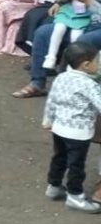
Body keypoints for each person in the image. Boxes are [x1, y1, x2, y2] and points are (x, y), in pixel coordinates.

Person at [42, 42, 101, 213]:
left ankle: (53, 186)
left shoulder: (61, 78)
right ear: (86, 65)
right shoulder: (89, 85)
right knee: (76, 165)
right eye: (97, 61)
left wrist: (48, 120)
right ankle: (75, 196)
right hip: (78, 133)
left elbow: (52, 100)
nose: (98, 65)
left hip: (59, 128)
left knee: (59, 158)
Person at [41, 0, 101, 70]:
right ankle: (51, 56)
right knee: (59, 28)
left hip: (83, 14)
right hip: (69, 11)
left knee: (76, 36)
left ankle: (72, 63)